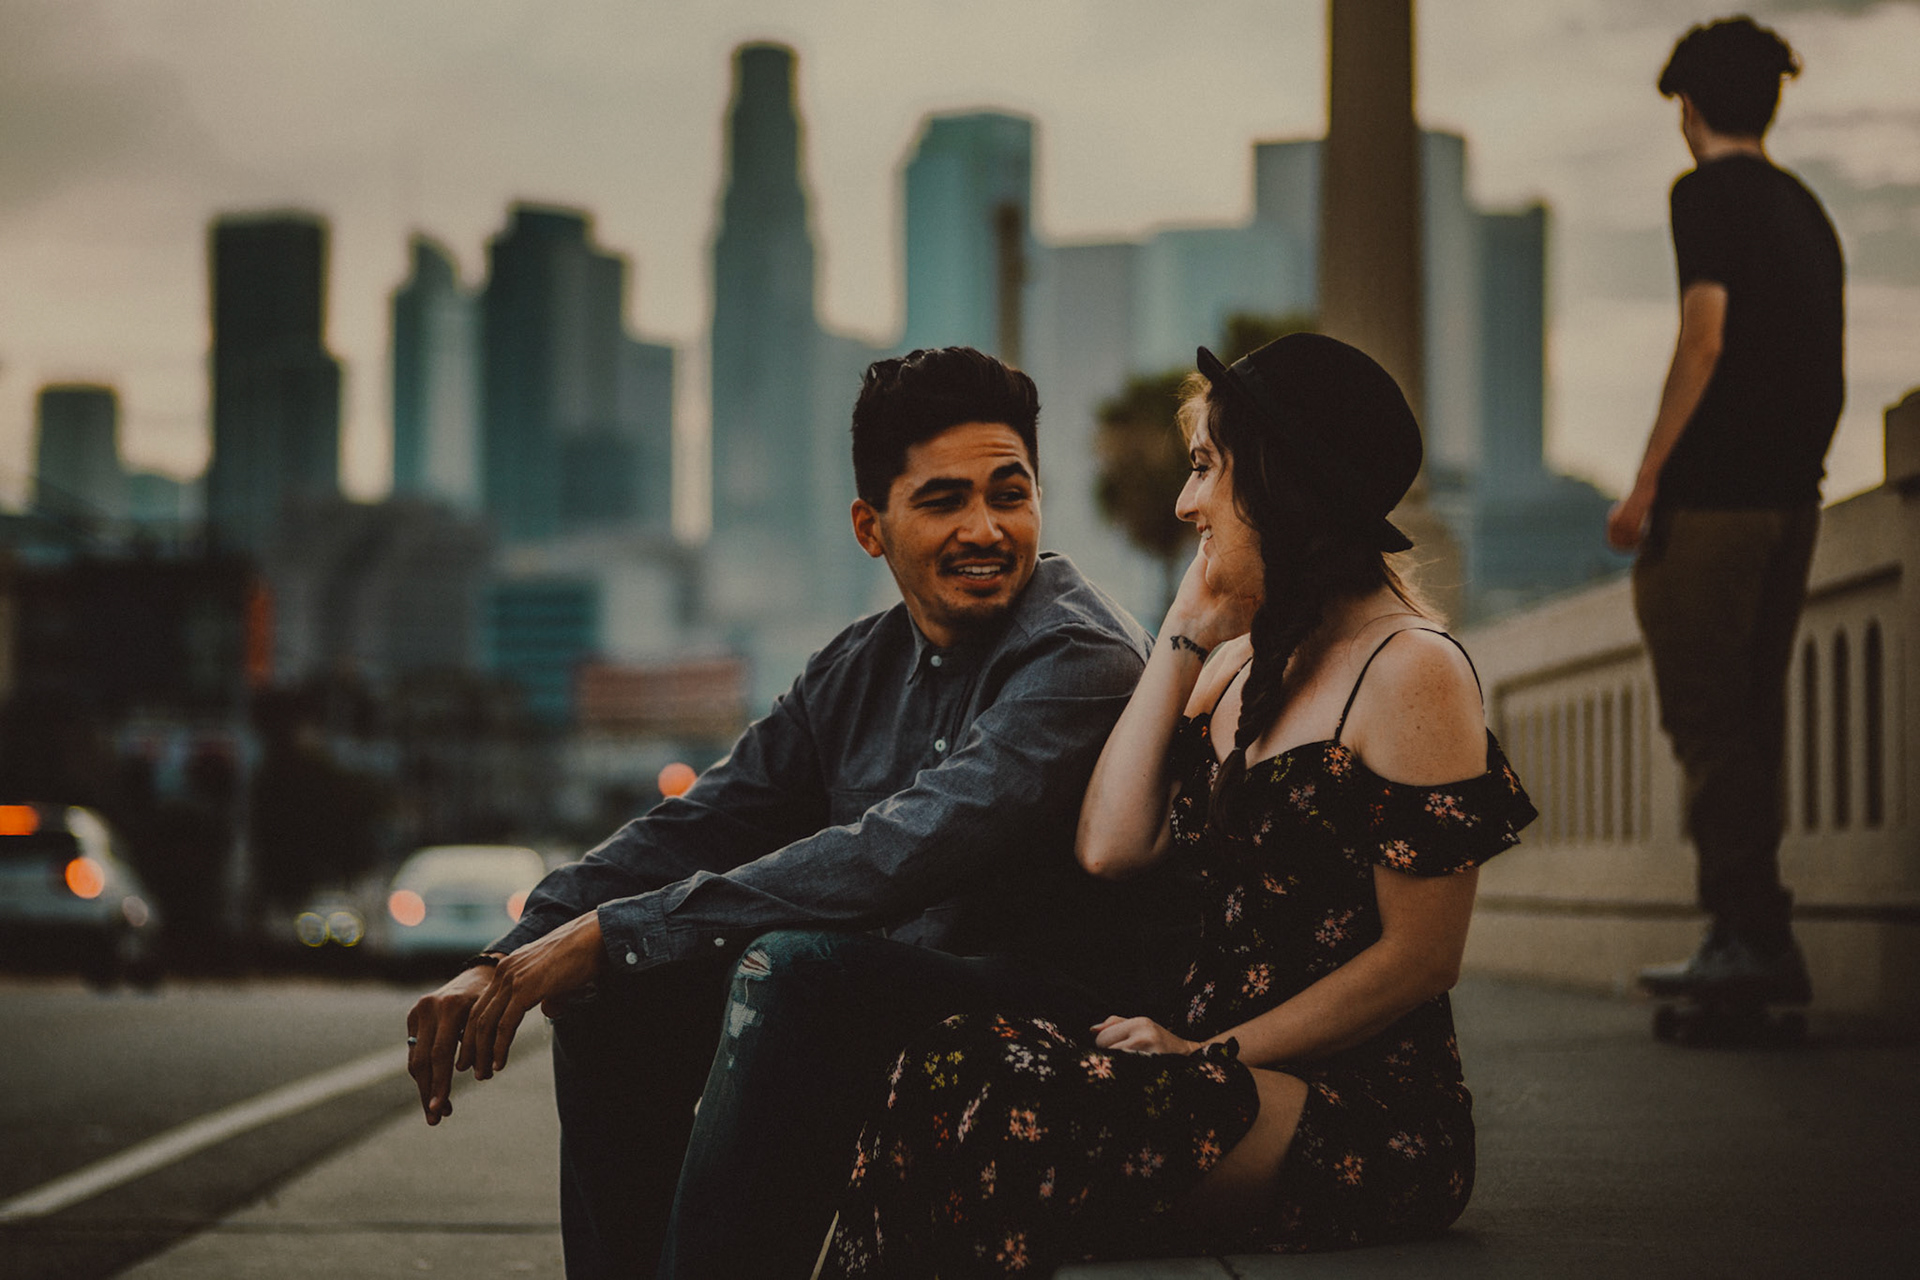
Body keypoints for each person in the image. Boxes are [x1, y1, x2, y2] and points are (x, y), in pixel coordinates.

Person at [405, 347, 1181, 1279]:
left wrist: (617, 931)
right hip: (898, 995)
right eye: (942, 502)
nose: (986, 528)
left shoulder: (1079, 658)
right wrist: (526, 948)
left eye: (1008, 494)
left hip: (1046, 1012)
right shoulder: (855, 666)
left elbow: (897, 851)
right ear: (871, 526)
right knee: (616, 990)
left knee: (793, 970)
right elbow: (705, 817)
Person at [822, 333, 1537, 1276]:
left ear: (1277, 485)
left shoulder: (1413, 671)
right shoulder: (1239, 661)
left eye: (1207, 468)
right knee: (943, 1061)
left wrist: (1206, 1053)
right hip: (1203, 1077)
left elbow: (1418, 961)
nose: (1184, 501)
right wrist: (1181, 634)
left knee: (995, 1116)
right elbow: (1112, 844)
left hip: (1351, 1115)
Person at [1608, 16, 1843, 1002]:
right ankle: (1752, 935)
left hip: (1712, 506)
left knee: (1708, 724)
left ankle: (1747, 934)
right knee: (1754, 718)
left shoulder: (1703, 194)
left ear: (1689, 110)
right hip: (1793, 499)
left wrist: (1648, 479)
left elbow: (1703, 339)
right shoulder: (1806, 209)